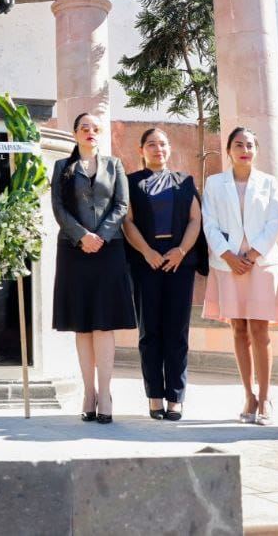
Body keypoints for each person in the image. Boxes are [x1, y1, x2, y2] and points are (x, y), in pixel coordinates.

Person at [202, 128, 278, 426]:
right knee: (238, 329)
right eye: (238, 144)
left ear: (256, 150)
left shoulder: (269, 183)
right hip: (228, 264)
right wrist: (228, 255)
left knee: (260, 331)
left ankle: (265, 396)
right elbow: (210, 222)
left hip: (260, 264)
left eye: (250, 145)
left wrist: (253, 254)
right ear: (228, 149)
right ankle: (248, 395)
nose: (244, 149)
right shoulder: (215, 184)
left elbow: (274, 221)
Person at [52, 113, 135, 424]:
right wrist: (82, 236)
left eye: (95, 128)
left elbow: (121, 205)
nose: (89, 132)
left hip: (108, 249)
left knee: (104, 324)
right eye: (83, 127)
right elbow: (58, 207)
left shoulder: (114, 165)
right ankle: (88, 393)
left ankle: (105, 393)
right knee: (83, 324)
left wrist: (100, 235)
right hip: (73, 249)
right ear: (75, 134)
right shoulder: (62, 168)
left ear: (101, 134)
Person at [121, 128, 204, 421]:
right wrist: (147, 252)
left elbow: (196, 219)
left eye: (163, 144)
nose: (158, 149)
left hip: (180, 263)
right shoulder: (131, 183)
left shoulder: (184, 182)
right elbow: (127, 222)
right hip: (147, 262)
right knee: (150, 332)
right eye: (152, 144)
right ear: (141, 149)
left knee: (177, 332)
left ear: (170, 149)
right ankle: (155, 395)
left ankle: (175, 398)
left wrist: (181, 250)